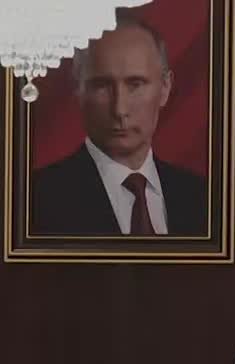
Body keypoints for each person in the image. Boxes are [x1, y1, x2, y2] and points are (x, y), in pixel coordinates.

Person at [30, 12, 207, 237]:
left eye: (135, 84)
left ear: (165, 87)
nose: (119, 109)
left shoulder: (204, 199)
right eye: (102, 86)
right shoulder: (32, 200)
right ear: (78, 89)